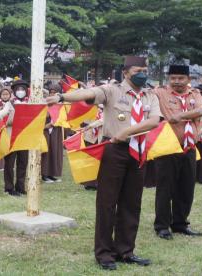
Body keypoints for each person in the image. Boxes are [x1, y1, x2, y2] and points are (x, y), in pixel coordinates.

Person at [46, 56, 161, 270]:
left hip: (138, 150)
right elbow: (87, 93)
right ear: (126, 72)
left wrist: (127, 131)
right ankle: (104, 254)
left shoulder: (150, 95)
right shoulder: (112, 90)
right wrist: (62, 96)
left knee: (132, 202)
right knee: (107, 202)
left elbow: (154, 121)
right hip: (113, 150)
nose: (142, 73)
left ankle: (125, 250)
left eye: (145, 69)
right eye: (138, 70)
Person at [153, 65, 202, 240]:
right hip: (168, 147)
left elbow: (201, 110)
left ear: (188, 80)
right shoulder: (160, 93)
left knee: (186, 187)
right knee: (165, 188)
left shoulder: (195, 95)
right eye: (173, 78)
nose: (176, 81)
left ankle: (180, 224)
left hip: (189, 148)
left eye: (181, 78)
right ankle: (162, 226)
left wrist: (180, 117)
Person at [41, 83, 64, 183]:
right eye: (51, 92)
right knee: (46, 152)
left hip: (56, 129)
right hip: (45, 129)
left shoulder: (61, 104)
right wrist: (46, 125)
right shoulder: (44, 103)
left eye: (55, 93)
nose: (52, 95)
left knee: (55, 151)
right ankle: (44, 174)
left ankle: (52, 174)